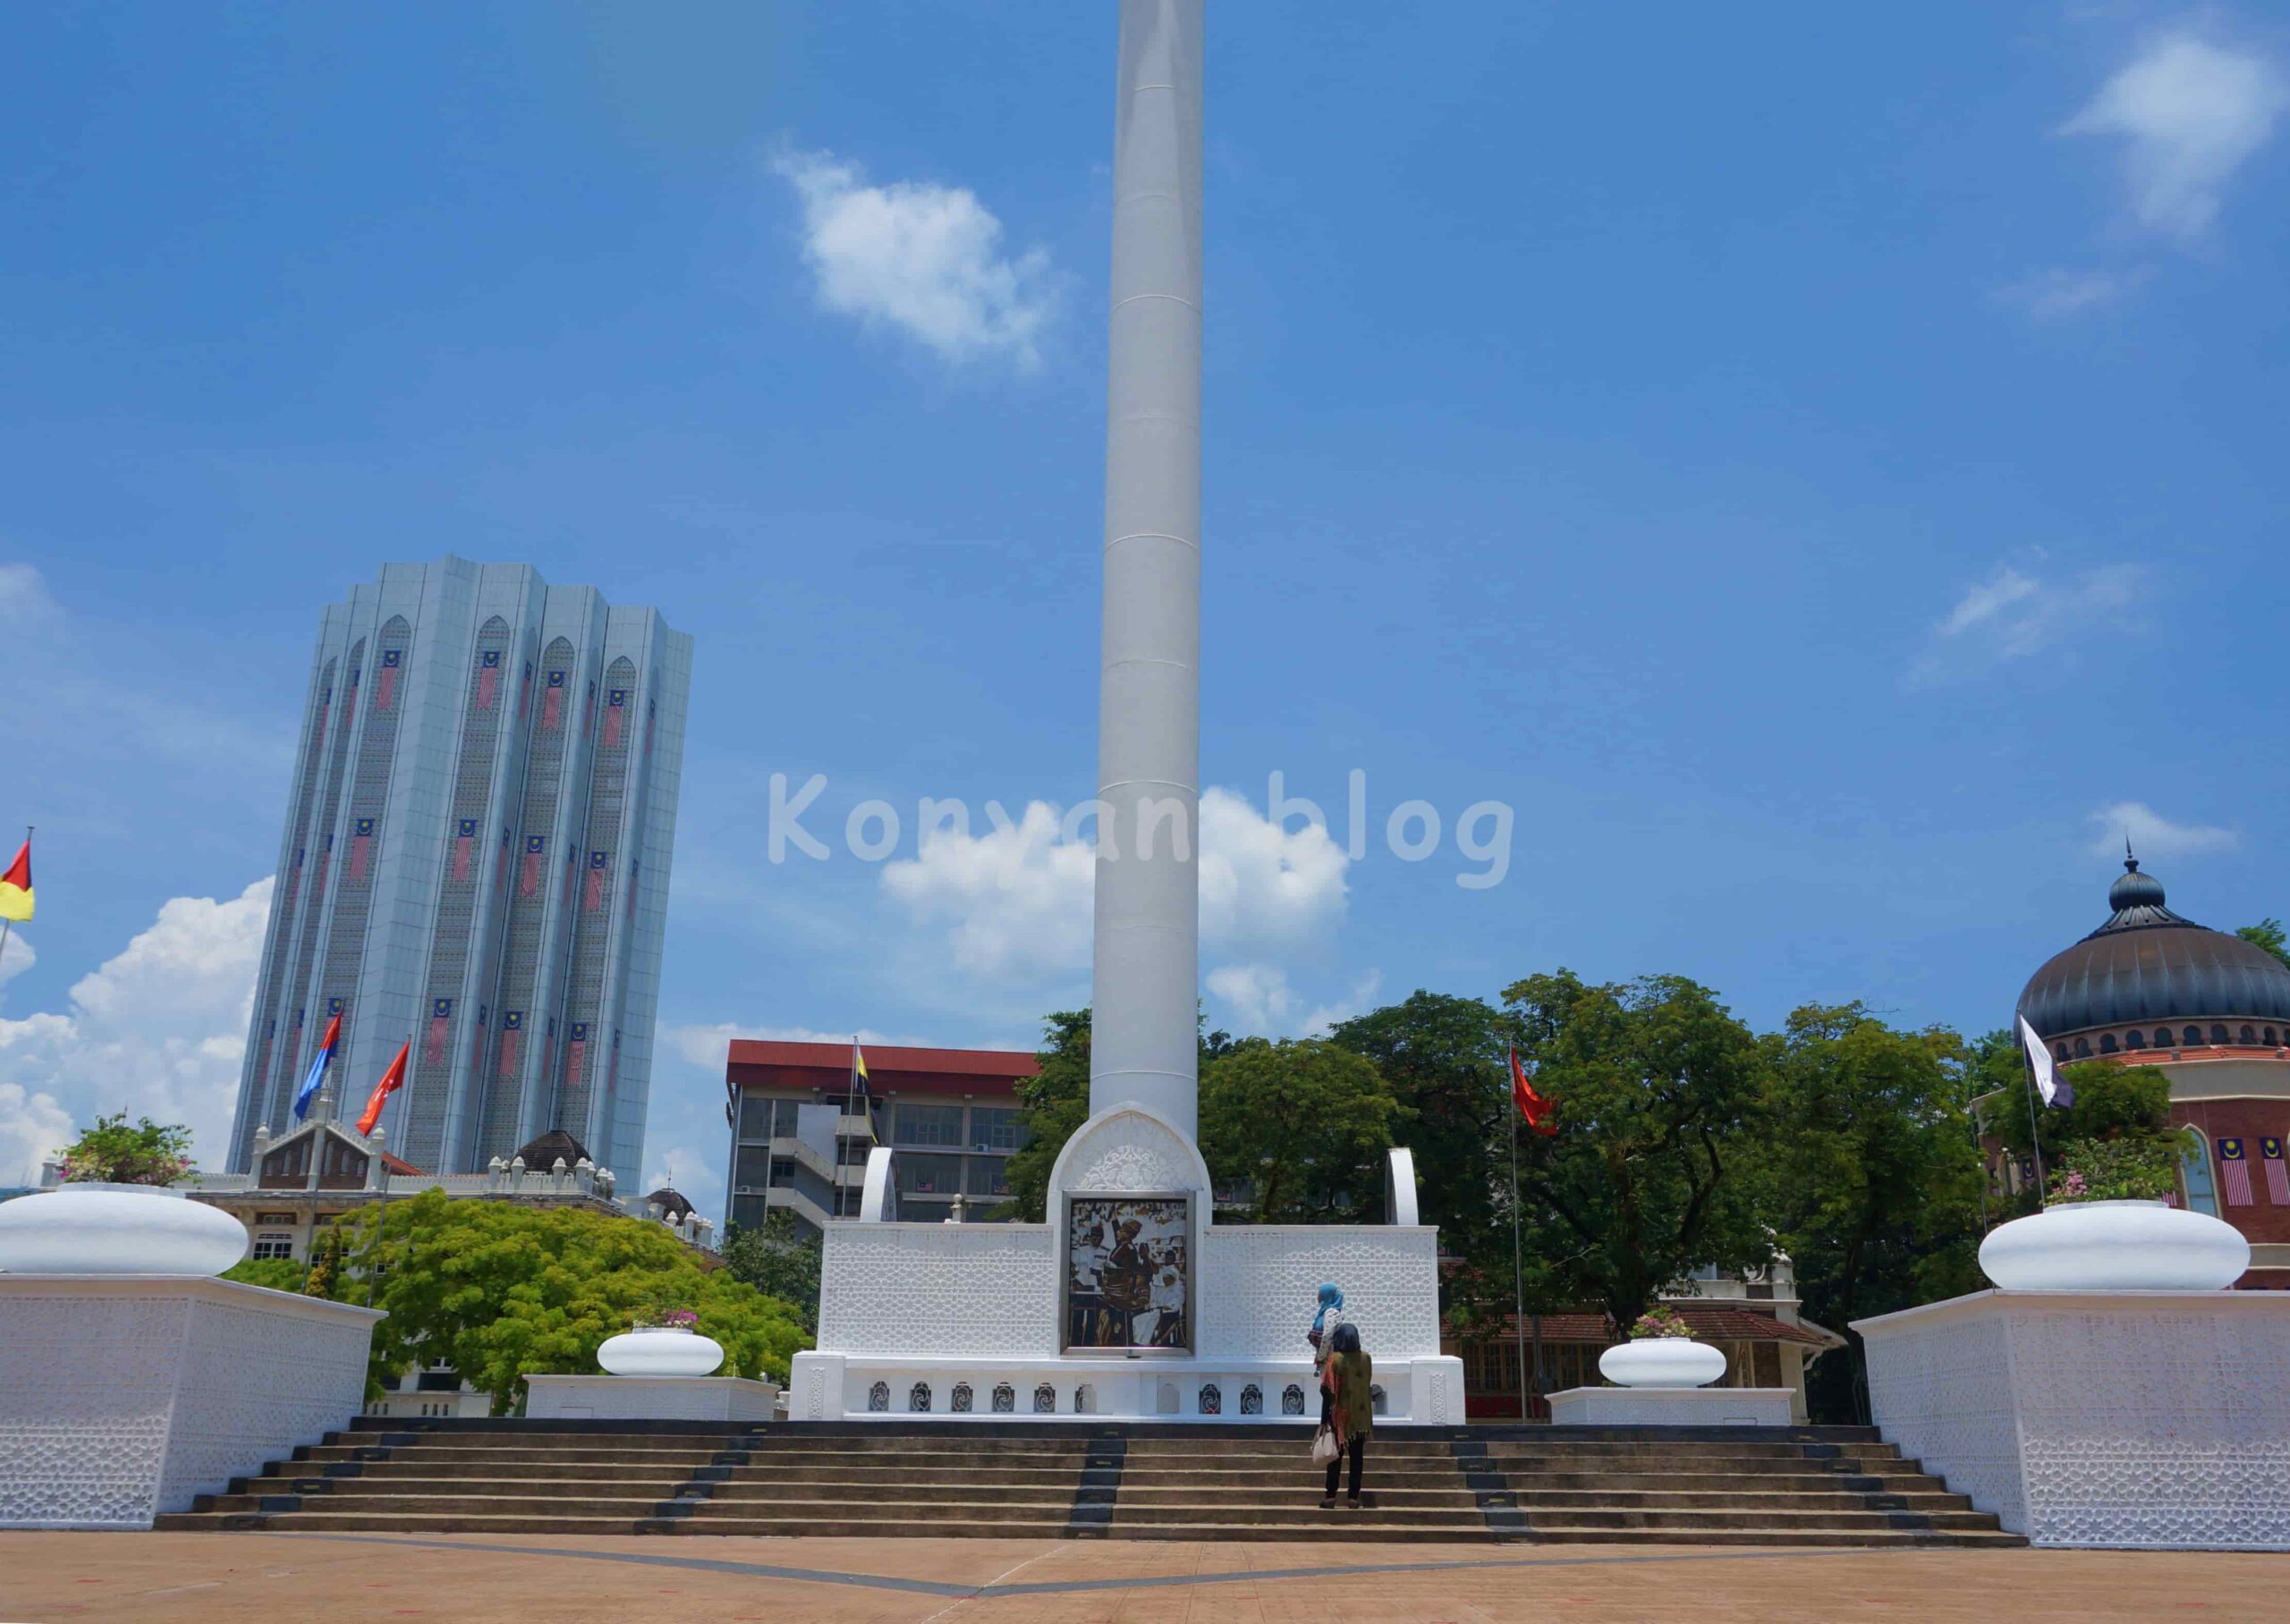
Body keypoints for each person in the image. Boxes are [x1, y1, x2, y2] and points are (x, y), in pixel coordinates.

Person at [1319, 1320, 1371, 1510]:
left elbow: (1327, 1390)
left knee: (1335, 1458)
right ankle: (1353, 1497)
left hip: (1339, 1417)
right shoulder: (1366, 1359)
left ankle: (1331, 1496)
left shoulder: (1335, 1359)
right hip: (1360, 1417)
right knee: (1357, 1458)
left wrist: (1324, 1418)